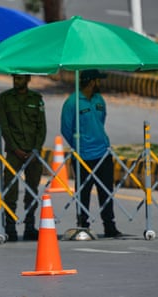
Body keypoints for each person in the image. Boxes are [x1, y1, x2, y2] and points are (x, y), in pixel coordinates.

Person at [61, 69, 122, 238]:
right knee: (83, 193)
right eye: (98, 80)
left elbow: (101, 121)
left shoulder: (99, 100)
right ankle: (83, 225)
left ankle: (109, 226)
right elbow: (66, 128)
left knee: (106, 192)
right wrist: (80, 145)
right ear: (91, 81)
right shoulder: (72, 102)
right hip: (83, 156)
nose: (100, 83)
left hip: (102, 153)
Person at [0, 74, 47, 241]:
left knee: (32, 190)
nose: (16, 81)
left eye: (20, 78)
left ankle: (29, 226)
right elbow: (4, 126)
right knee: (10, 190)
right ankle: (10, 227)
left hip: (33, 152)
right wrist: (15, 148)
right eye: (15, 78)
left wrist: (36, 149)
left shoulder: (36, 98)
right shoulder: (5, 98)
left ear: (28, 79)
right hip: (14, 152)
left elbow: (42, 126)